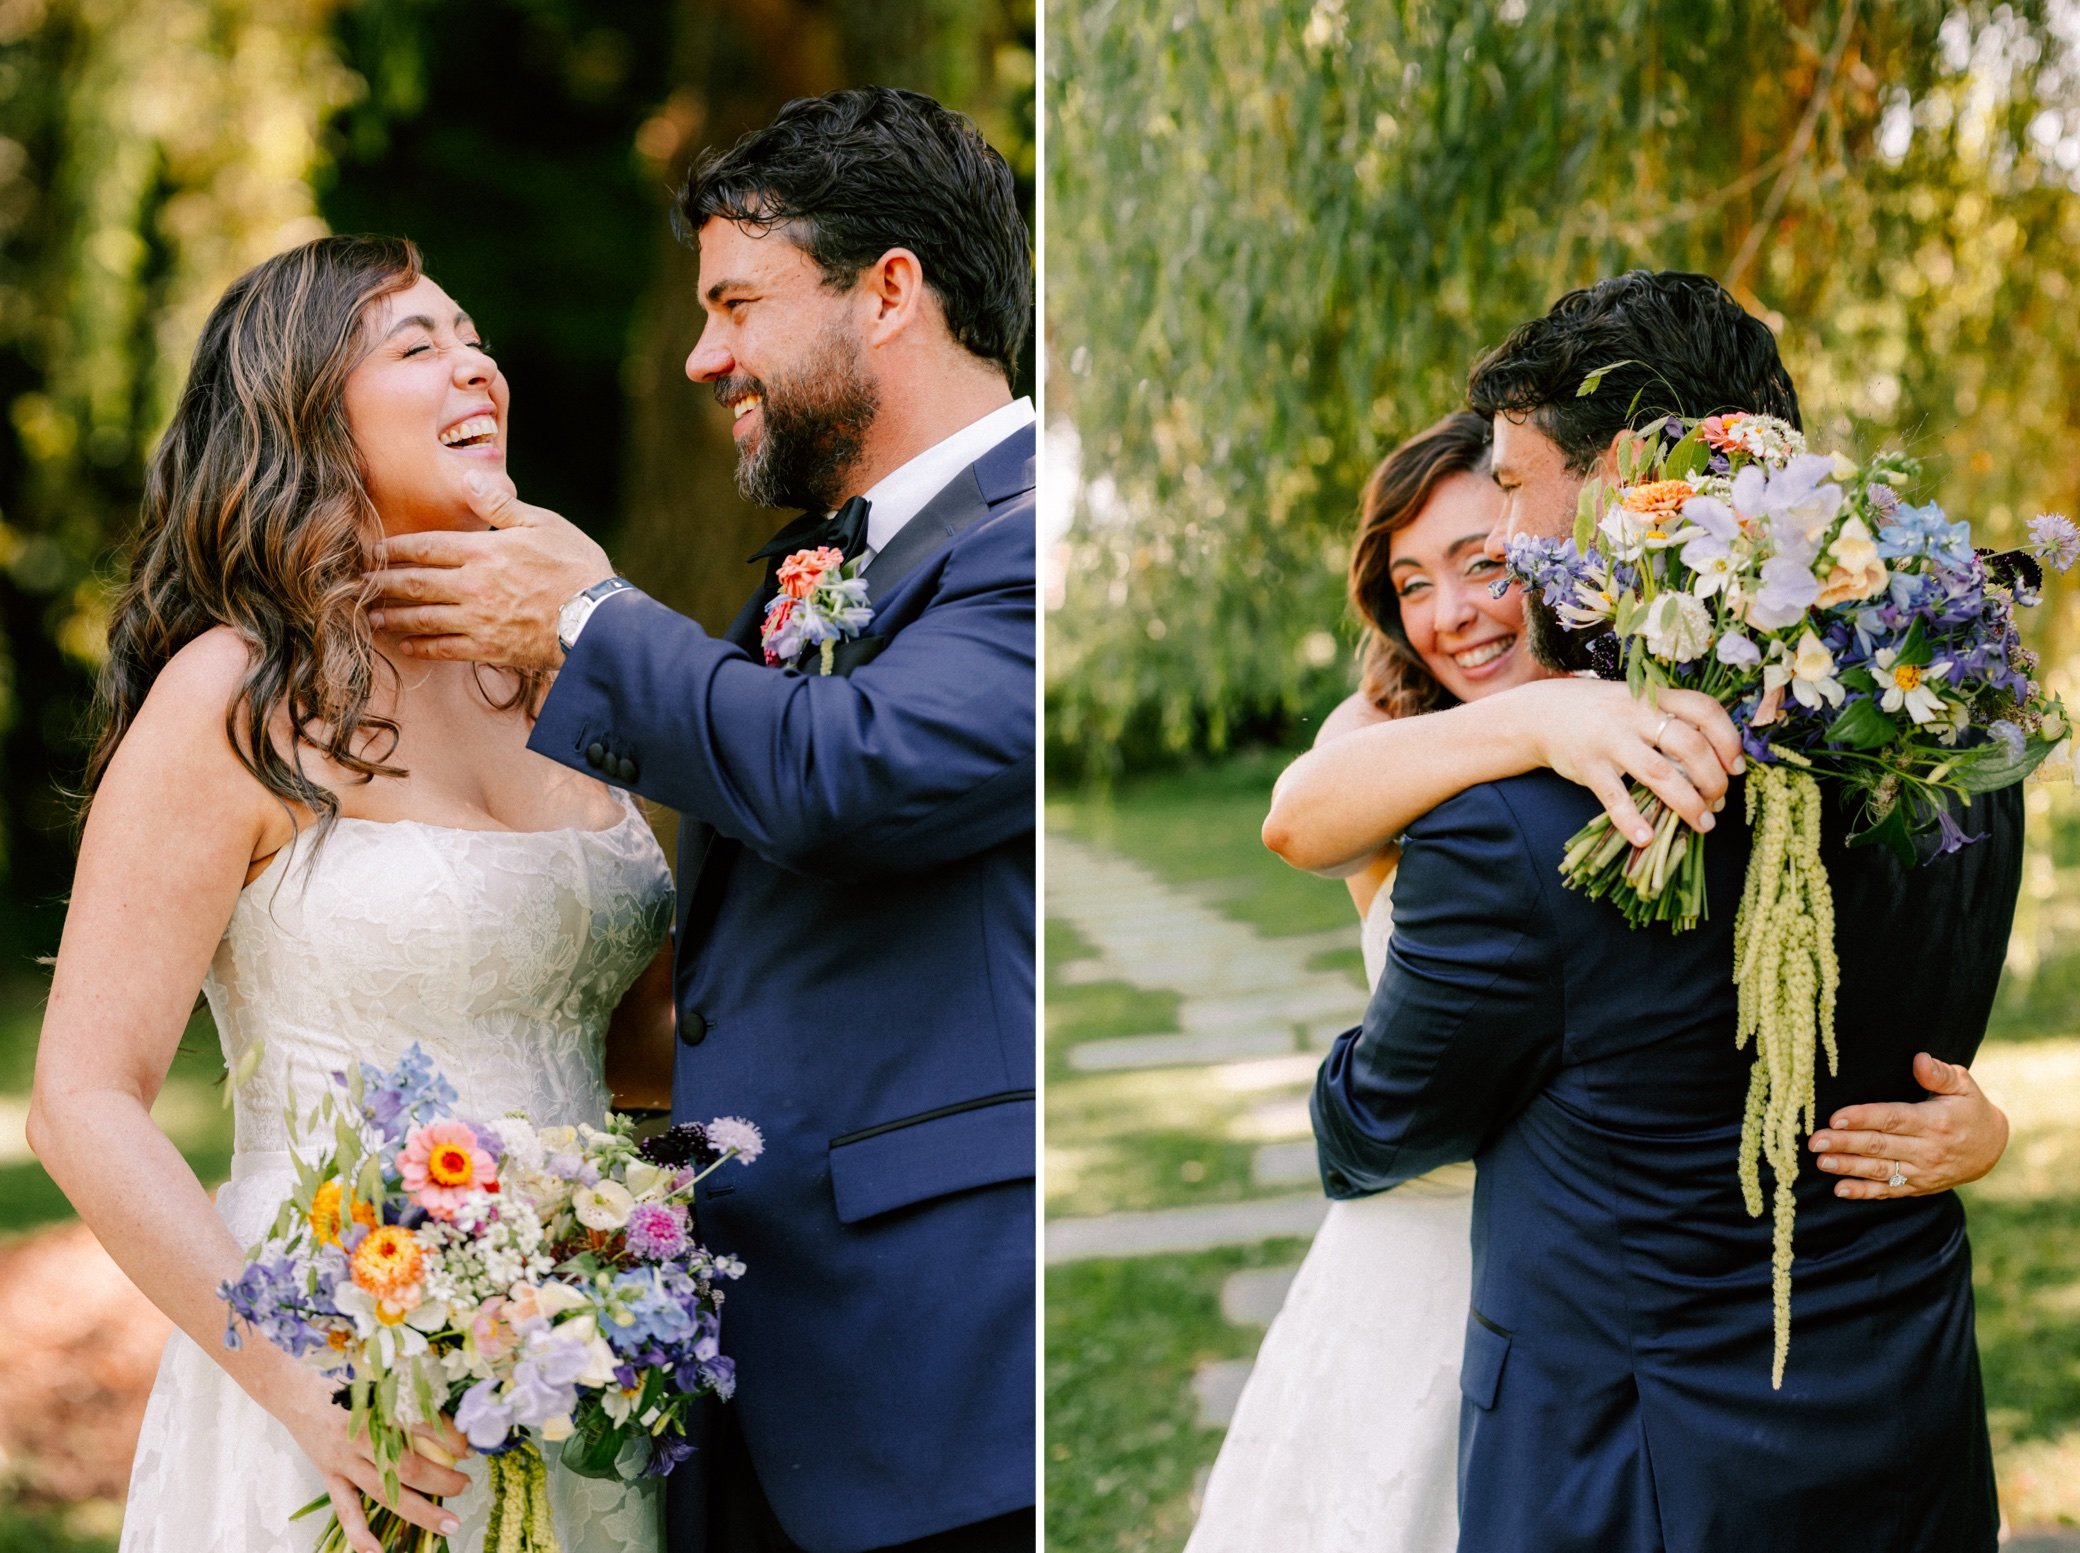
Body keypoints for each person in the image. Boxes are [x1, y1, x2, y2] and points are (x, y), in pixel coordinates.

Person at [364, 87, 1036, 1553]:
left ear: (892, 292)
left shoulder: (1038, 532)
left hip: (951, 1385)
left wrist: (588, 619)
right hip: (757, 1374)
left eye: (736, 303)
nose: (701, 354)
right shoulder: (820, 561)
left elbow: (852, 773)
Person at [1182, 407, 2013, 1552]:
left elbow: (1780, 990)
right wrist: (1532, 717)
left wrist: (1977, 1125)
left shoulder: (1680, 722)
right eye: (1411, 580)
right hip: (1425, 1250)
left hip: (1604, 1287)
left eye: (1484, 565)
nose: (1451, 614)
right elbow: (1296, 819)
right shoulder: (1390, 729)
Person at [27, 235, 676, 1553]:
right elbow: (80, 1104)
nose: (476, 365)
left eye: (475, 335)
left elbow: (642, 1044)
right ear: (304, 416)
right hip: (331, 1361)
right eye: (416, 344)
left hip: (575, 1371)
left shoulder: (551, 680)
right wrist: (311, 1385)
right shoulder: (232, 693)